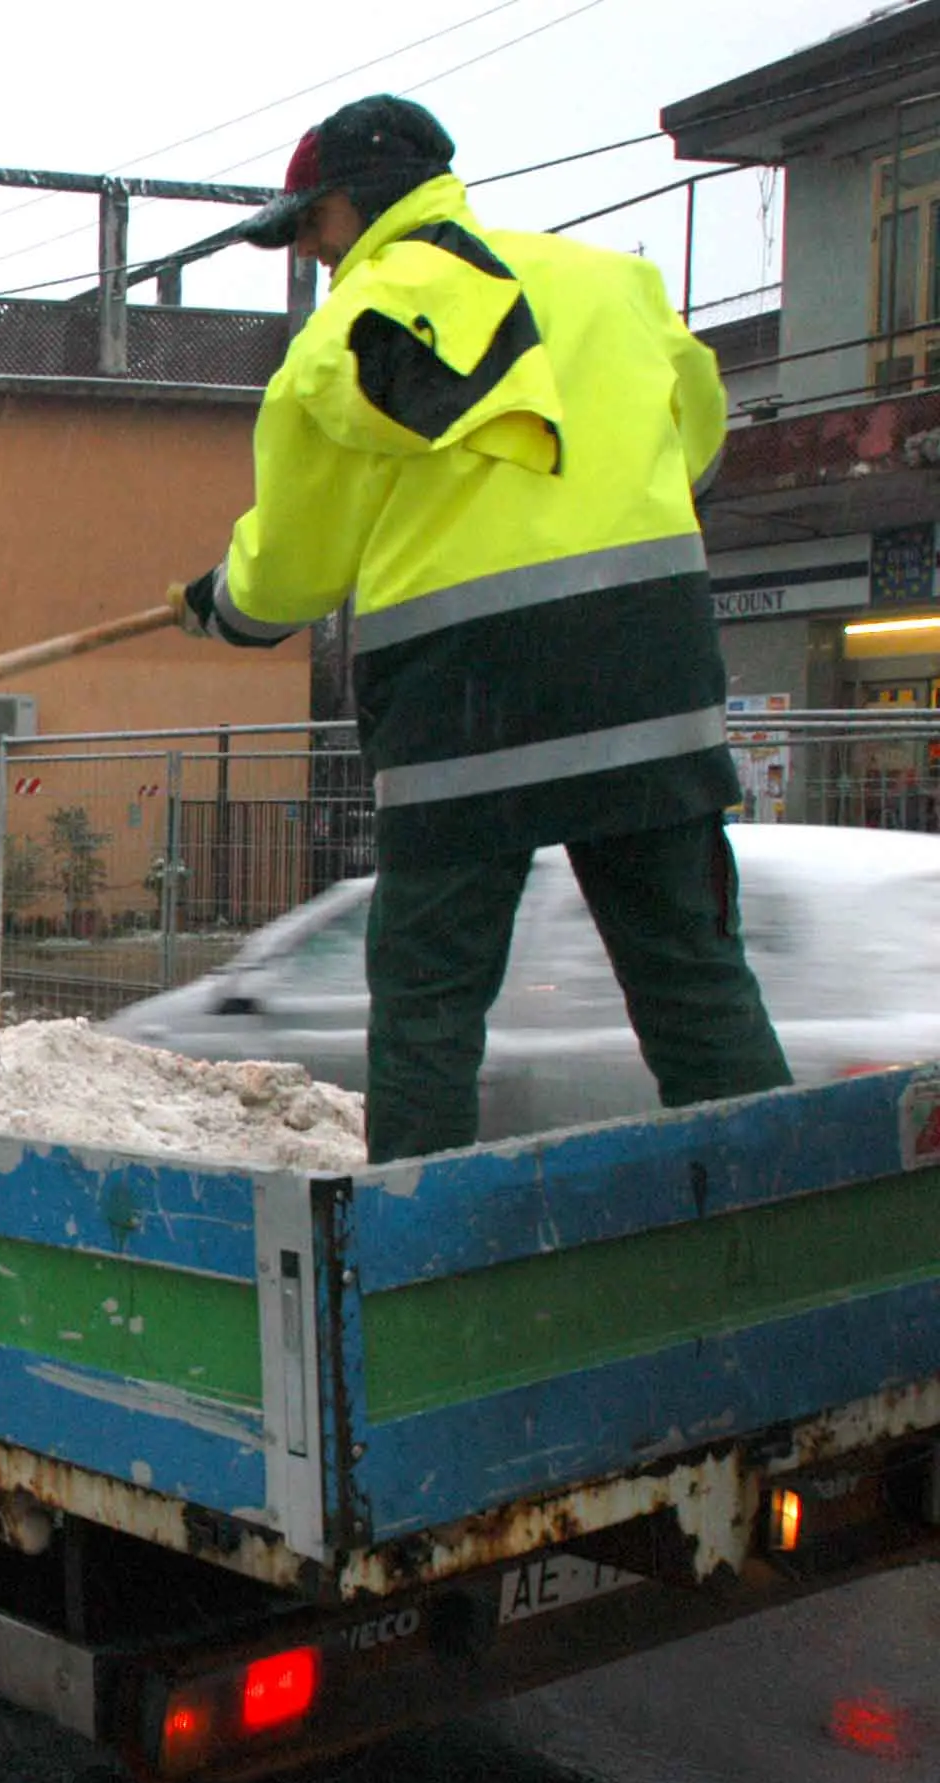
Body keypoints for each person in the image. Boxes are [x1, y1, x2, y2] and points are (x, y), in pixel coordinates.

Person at [171, 94, 790, 1163]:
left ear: (349, 207)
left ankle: (416, 1268)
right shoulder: (612, 286)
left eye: (309, 230)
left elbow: (298, 562)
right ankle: (788, 1219)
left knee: (426, 1013)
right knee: (690, 982)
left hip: (463, 705)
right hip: (647, 674)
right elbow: (692, 435)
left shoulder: (346, 334)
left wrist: (224, 602)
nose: (312, 257)